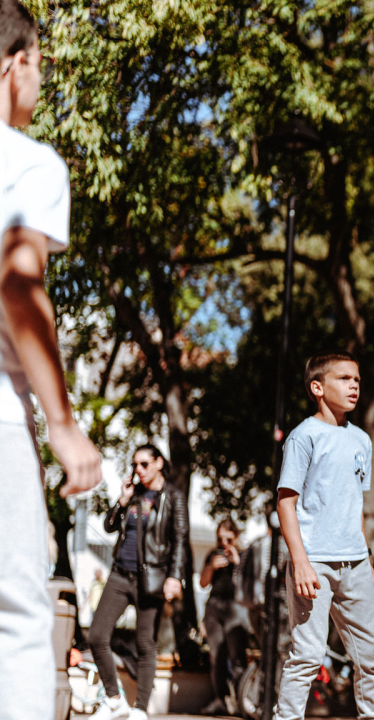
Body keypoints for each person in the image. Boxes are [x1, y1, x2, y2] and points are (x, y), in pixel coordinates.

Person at [0, 4, 103, 718]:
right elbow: (16, 278)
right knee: (19, 617)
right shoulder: (28, 163)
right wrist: (62, 426)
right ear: (15, 64)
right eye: (41, 66)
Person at [274, 350, 374, 720]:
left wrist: (365, 556)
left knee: (373, 656)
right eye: (344, 378)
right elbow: (285, 504)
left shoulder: (362, 441)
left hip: (354, 562)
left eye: (356, 379)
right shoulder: (303, 437)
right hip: (314, 563)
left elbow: (353, 506)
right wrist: (300, 562)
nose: (354, 385)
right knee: (307, 655)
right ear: (318, 387)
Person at [87, 444, 189, 720]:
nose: (138, 470)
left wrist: (174, 576)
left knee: (146, 643)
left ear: (159, 463)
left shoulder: (173, 497)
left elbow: (180, 538)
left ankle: (140, 709)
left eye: (144, 464)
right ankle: (114, 699)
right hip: (120, 574)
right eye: (134, 465)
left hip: (151, 579)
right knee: (96, 636)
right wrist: (122, 499)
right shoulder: (133, 496)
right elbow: (109, 526)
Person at [199, 519, 252, 716]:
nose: (224, 543)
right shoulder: (213, 554)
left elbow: (248, 586)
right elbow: (203, 583)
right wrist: (211, 567)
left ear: (236, 536)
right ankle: (220, 700)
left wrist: (237, 562)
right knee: (217, 656)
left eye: (228, 539)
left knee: (237, 656)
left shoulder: (245, 554)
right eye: (220, 539)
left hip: (236, 608)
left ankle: (241, 701)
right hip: (214, 607)